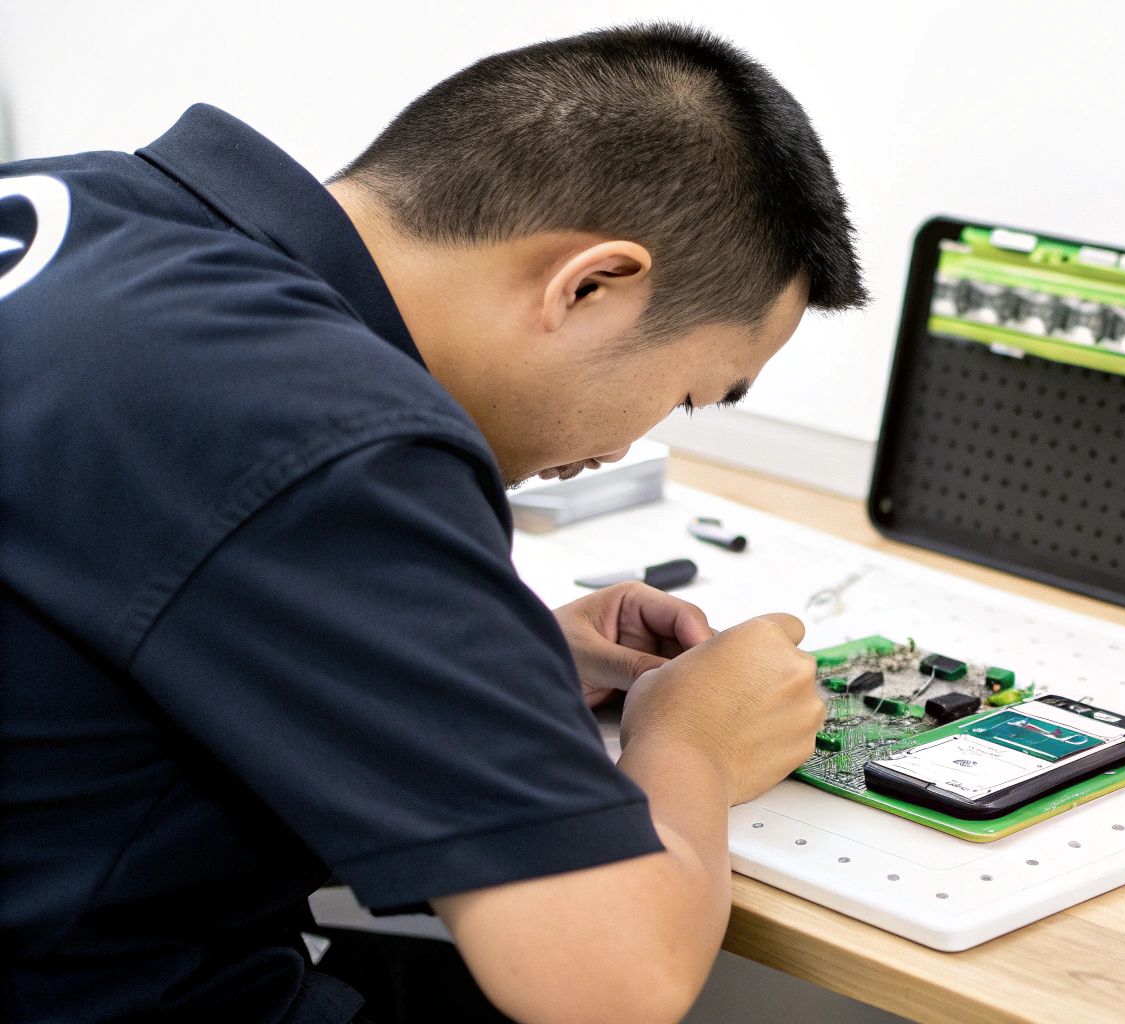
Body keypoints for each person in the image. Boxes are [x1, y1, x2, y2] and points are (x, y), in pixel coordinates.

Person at [0, 22, 866, 1024]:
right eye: (682, 395)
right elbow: (608, 984)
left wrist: (492, 664)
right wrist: (693, 745)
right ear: (588, 284)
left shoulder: (81, 210)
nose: (631, 445)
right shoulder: (331, 427)